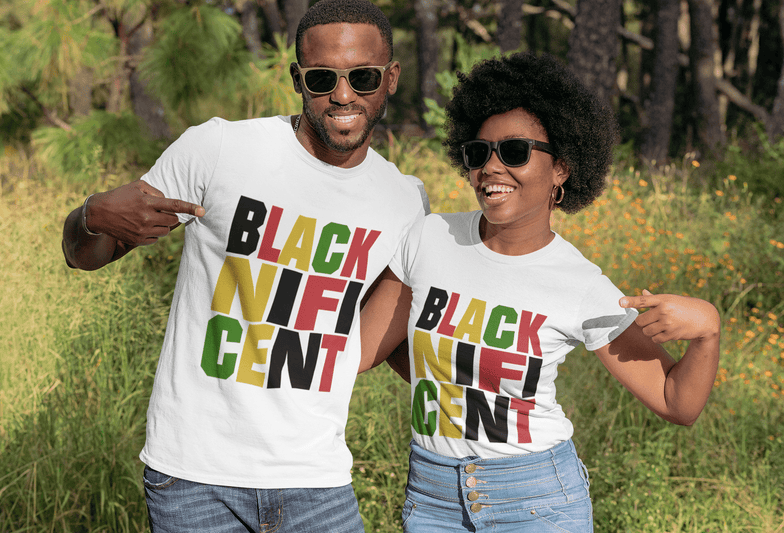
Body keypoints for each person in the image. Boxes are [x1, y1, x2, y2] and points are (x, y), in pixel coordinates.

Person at [62, 0, 430, 531]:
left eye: (364, 77)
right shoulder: (218, 149)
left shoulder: (403, 200)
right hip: (193, 479)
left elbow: (384, 333)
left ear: (391, 78)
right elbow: (84, 255)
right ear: (297, 78)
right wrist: (92, 214)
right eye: (323, 77)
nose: (343, 94)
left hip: (318, 480)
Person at [359, 52, 720, 532]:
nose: (491, 167)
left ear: (561, 170)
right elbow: (362, 351)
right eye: (478, 152)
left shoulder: (579, 284)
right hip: (433, 498)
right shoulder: (429, 238)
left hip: (535, 500)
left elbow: (679, 402)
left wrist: (708, 329)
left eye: (514, 152)